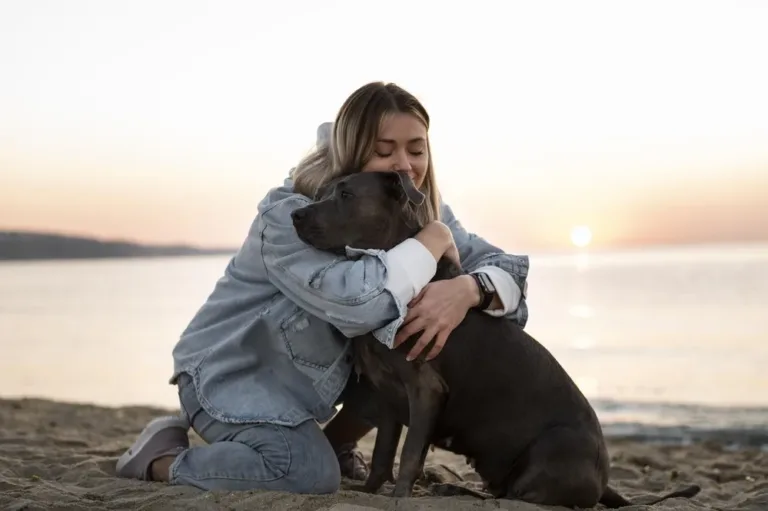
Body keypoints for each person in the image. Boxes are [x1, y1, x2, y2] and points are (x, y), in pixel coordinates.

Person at [115, 81, 530, 494]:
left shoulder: (416, 206)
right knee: (305, 473)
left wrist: (469, 290)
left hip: (313, 383)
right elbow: (360, 305)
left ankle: (337, 443)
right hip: (234, 375)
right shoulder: (290, 215)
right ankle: (160, 459)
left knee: (410, 347)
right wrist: (432, 242)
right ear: (350, 150)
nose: (404, 164)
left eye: (416, 150)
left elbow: (507, 270)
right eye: (383, 151)